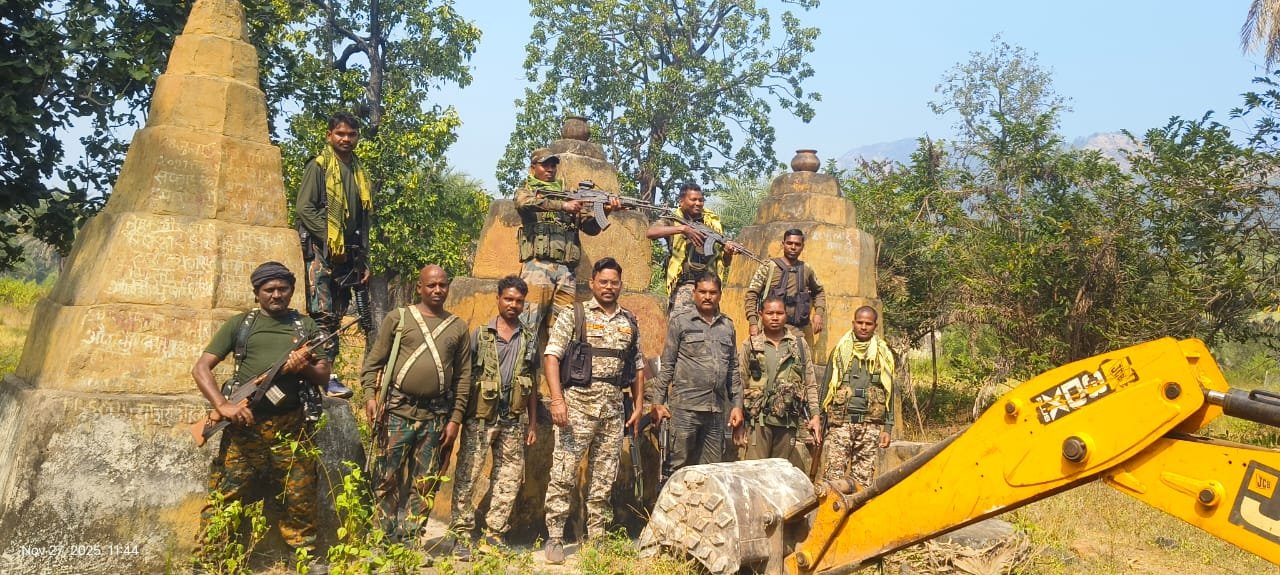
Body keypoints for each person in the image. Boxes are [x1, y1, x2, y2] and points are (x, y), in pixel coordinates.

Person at [192, 262, 330, 574]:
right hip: (245, 426)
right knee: (227, 493)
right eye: (269, 289)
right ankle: (209, 559)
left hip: (292, 426)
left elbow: (324, 376)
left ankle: (303, 557)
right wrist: (223, 406)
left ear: (292, 291)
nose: (276, 295)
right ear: (257, 293)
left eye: (283, 289)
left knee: (299, 493)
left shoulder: (305, 326)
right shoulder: (241, 325)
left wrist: (304, 367)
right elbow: (201, 368)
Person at [541, 257, 645, 565]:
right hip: (577, 406)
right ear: (593, 283)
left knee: (604, 476)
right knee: (564, 472)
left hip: (612, 408)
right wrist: (557, 400)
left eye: (614, 282)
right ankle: (555, 536)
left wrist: (639, 404)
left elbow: (637, 365)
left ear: (620, 285)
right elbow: (551, 357)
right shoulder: (575, 314)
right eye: (604, 282)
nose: (609, 287)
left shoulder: (629, 321)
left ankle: (596, 536)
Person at [361, 265, 471, 542]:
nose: (437, 290)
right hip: (397, 412)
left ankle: (411, 539)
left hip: (435, 417)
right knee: (386, 478)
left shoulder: (458, 327)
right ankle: (382, 539)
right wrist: (370, 397)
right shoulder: (398, 319)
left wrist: (455, 419)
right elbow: (373, 362)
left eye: (442, 285)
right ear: (420, 287)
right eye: (431, 285)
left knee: (425, 482)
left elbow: (464, 378)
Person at [448, 276, 538, 560]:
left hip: (513, 420)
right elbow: (464, 376)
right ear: (498, 299)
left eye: (519, 301)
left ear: (524, 304)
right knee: (468, 476)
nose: (513, 305)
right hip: (480, 419)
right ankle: (461, 535)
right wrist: (457, 416)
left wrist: (532, 422)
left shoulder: (528, 338)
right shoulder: (480, 334)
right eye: (508, 299)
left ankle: (494, 534)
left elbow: (532, 381)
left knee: (509, 478)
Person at [295, 111, 373, 399]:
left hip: (348, 257)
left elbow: (363, 221)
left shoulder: (359, 172)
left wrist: (363, 260)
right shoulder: (318, 166)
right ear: (329, 136)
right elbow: (305, 209)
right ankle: (320, 375)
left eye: (351, 134)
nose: (346, 139)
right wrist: (331, 238)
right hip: (320, 252)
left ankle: (326, 373)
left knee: (337, 316)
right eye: (340, 133)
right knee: (322, 314)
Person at [514, 147, 619, 354]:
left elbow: (591, 228)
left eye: (553, 165)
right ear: (532, 168)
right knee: (527, 325)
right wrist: (563, 206)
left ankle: (559, 371)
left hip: (566, 273)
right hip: (537, 268)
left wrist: (606, 210)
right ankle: (521, 370)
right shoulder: (527, 191)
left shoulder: (569, 195)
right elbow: (523, 203)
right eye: (545, 165)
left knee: (562, 331)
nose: (550, 169)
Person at [649, 273, 744, 476]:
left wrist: (737, 406)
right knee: (676, 468)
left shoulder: (727, 326)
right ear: (694, 293)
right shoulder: (681, 322)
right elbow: (667, 364)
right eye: (703, 292)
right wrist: (657, 402)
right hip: (685, 410)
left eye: (713, 292)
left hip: (715, 411)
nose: (707, 297)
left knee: (710, 472)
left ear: (720, 295)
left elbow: (733, 369)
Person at [738, 297, 822, 467]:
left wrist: (815, 416)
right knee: (755, 472)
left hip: (787, 422)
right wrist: (738, 418)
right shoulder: (751, 345)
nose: (775, 317)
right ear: (761, 314)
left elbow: (810, 383)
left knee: (780, 472)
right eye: (770, 313)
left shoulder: (799, 345)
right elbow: (739, 382)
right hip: (758, 423)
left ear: (786, 315)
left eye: (779, 313)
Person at [821, 306, 895, 485]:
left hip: (870, 426)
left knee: (863, 482)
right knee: (833, 479)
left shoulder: (883, 354)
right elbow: (826, 388)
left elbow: (889, 394)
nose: (863, 327)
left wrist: (888, 428)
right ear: (853, 323)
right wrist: (819, 419)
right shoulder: (840, 351)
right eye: (860, 322)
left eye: (868, 324)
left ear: (875, 326)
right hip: (842, 424)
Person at [645, 182, 736, 311]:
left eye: (701, 200)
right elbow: (651, 232)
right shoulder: (673, 219)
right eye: (693, 199)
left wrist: (728, 252)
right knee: (682, 322)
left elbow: (725, 262)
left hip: (709, 287)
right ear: (681, 201)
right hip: (685, 286)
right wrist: (683, 229)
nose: (698, 203)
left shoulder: (712, 223)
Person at [744, 229, 826, 339]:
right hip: (769, 333)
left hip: (798, 333)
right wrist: (753, 322)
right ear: (783, 244)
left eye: (797, 244)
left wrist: (818, 314)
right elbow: (751, 295)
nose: (793, 247)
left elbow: (819, 292)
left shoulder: (806, 269)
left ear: (802, 246)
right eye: (789, 243)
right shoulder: (768, 267)